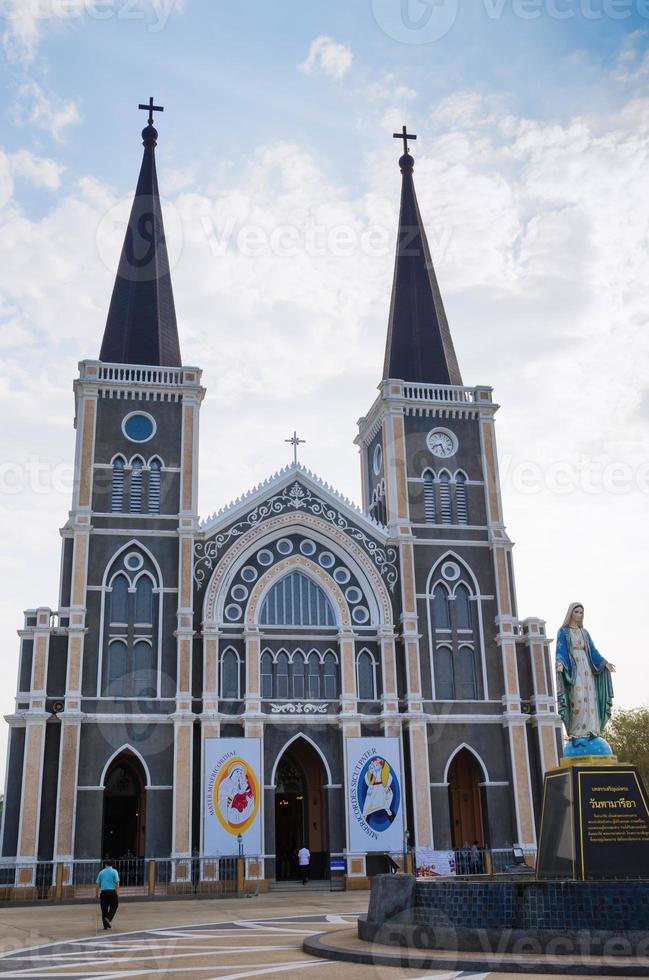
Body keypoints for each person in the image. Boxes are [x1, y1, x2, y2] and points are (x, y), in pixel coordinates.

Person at [555, 603, 615, 741]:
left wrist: (605, 663)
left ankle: (592, 729)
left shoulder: (585, 633)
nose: (579, 615)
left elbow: (593, 651)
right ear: (571, 613)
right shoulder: (564, 632)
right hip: (574, 669)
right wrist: (560, 663)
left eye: (581, 612)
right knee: (578, 697)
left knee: (590, 697)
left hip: (587, 669)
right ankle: (577, 730)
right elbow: (561, 651)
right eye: (576, 612)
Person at [95, 859, 120, 930]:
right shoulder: (114, 871)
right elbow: (117, 883)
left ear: (105, 865)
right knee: (114, 906)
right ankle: (108, 918)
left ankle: (105, 926)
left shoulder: (101, 872)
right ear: (112, 865)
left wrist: (96, 893)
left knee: (104, 909)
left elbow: (97, 884)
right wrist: (117, 892)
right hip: (112, 892)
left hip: (103, 893)